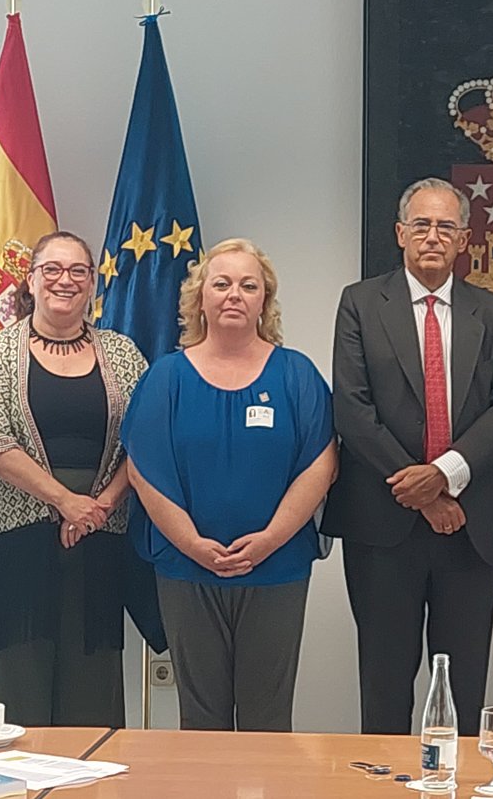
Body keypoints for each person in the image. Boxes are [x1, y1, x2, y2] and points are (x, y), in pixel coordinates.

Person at [323, 178, 493, 737]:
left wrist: (444, 477)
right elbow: (354, 411)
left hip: (471, 526)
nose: (432, 236)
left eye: (445, 227)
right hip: (382, 527)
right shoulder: (361, 304)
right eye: (421, 224)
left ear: (464, 239)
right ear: (399, 233)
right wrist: (423, 494)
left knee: (465, 688)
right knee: (385, 686)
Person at [126, 237, 336, 731]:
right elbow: (143, 469)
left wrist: (267, 541)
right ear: (200, 297)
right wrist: (192, 544)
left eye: (248, 285)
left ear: (265, 300)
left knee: (269, 718)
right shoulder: (167, 377)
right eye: (221, 284)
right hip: (186, 570)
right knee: (201, 719)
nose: (234, 294)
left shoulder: (296, 375)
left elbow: (321, 466)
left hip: (277, 568)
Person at [0, 231, 148, 727]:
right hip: (21, 536)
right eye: (51, 269)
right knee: (19, 680)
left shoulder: (124, 353)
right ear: (30, 279)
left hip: (101, 534)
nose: (64, 280)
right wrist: (66, 503)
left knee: (95, 685)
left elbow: (143, 444)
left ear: (92, 283)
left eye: (77, 271)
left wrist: (98, 508)